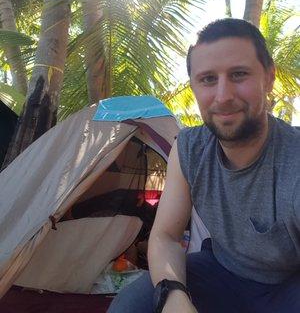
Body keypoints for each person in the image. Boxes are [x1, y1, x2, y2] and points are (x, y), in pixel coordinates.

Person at [108, 18, 300, 313]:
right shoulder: (189, 149)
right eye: (208, 79)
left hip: (288, 285)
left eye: (239, 74)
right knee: (132, 305)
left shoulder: (293, 159)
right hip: (219, 272)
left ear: (269, 78)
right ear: (195, 87)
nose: (223, 96)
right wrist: (174, 296)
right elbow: (165, 236)